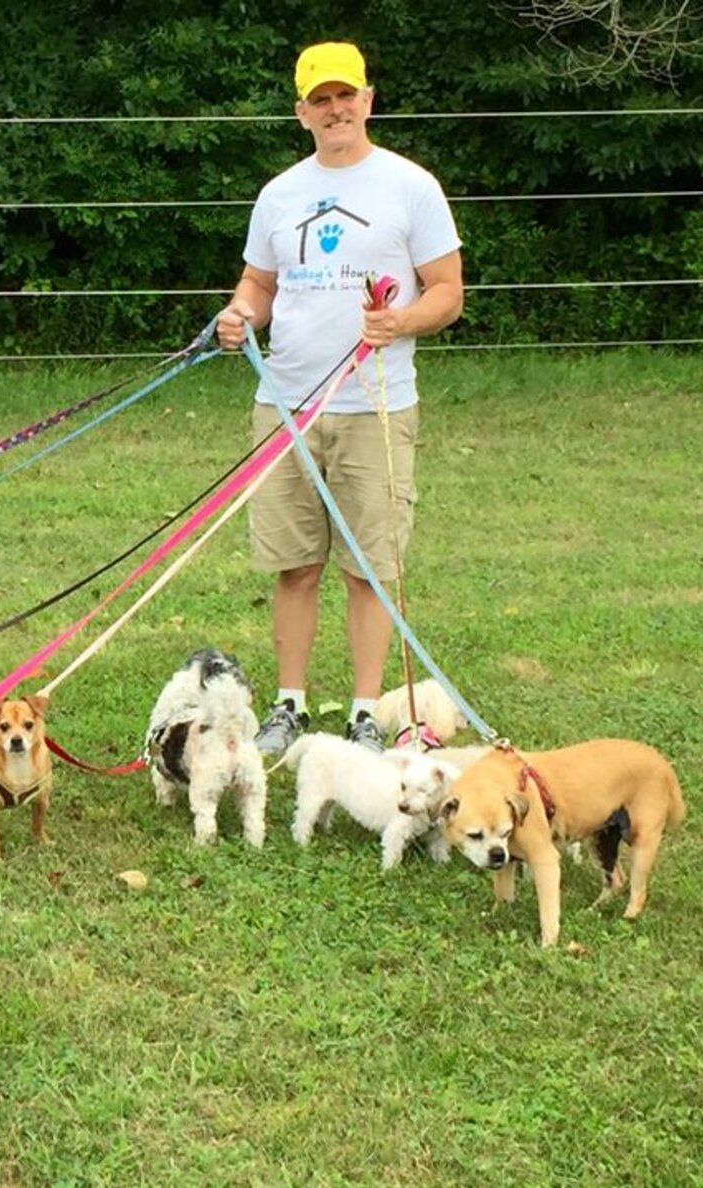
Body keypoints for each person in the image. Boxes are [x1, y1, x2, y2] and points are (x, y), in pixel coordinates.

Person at [215, 42, 463, 756]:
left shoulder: (410, 187)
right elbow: (259, 284)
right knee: (294, 565)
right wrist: (239, 315)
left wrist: (401, 321)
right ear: (302, 113)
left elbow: (447, 290)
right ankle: (289, 704)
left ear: (368, 100)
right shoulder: (279, 194)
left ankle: (363, 712)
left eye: (345, 95)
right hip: (286, 406)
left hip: (375, 410)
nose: (335, 109)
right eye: (320, 99)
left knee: (370, 569)